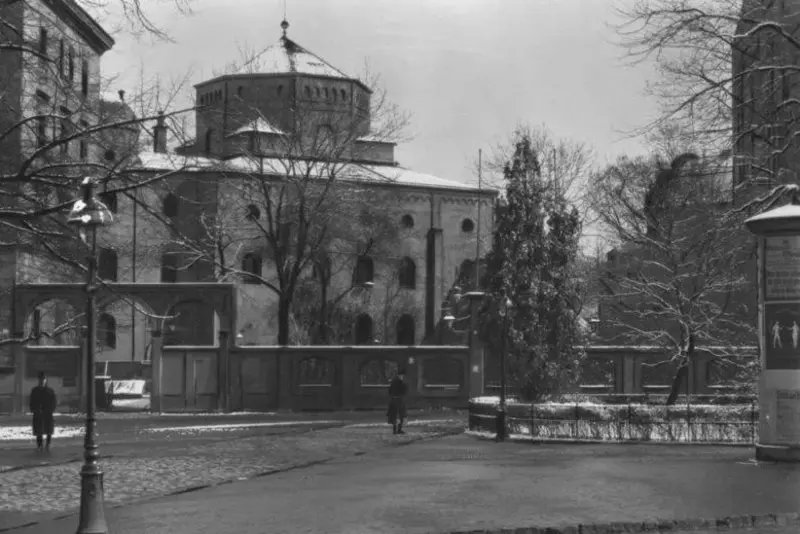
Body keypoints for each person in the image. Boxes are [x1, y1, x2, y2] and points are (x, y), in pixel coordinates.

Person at [29, 372, 57, 452]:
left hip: (47, 413)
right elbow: (31, 401)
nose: (42, 381)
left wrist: (50, 410)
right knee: (38, 430)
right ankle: (39, 445)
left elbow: (53, 402)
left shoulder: (50, 391)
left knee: (48, 429)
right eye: (40, 379)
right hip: (38, 413)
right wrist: (34, 409)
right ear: (38, 380)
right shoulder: (35, 390)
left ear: (45, 380)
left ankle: (48, 444)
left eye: (43, 379)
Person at [387, 367, 408, 435]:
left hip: (394, 399)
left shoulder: (394, 381)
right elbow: (403, 390)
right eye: (402, 376)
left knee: (395, 415)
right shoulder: (399, 382)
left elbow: (390, 391)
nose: (402, 377)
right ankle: (398, 429)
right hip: (398, 400)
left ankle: (396, 429)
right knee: (400, 415)